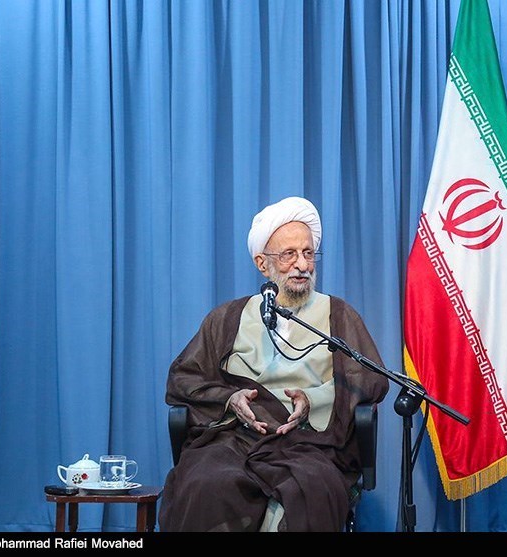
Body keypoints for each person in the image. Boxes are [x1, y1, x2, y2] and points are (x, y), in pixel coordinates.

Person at [158, 196, 390, 532]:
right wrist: (229, 399)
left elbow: (368, 379)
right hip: (233, 440)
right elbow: (184, 378)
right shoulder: (227, 317)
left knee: (311, 490)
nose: (302, 265)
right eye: (289, 255)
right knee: (206, 484)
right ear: (262, 263)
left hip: (309, 444)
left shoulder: (337, 315)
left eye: (308, 253)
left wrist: (313, 399)